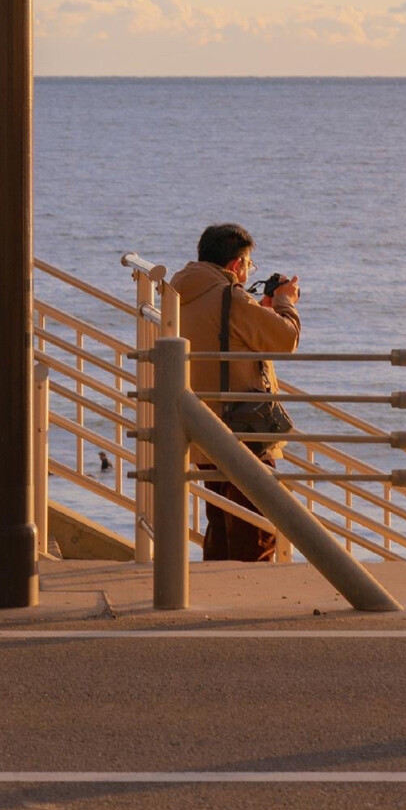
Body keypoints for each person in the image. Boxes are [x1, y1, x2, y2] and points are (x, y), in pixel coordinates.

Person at [171, 222, 301, 563]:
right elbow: (286, 339)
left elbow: (223, 330)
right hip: (244, 432)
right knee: (256, 529)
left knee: (221, 523)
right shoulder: (230, 297)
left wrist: (261, 308)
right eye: (247, 264)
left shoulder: (180, 293)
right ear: (234, 265)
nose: (247, 271)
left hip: (203, 430)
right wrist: (286, 303)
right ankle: (249, 599)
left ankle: (215, 594)